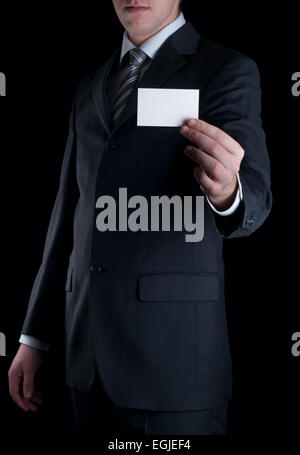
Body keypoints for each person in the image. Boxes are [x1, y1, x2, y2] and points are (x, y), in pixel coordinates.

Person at [8, 0, 272, 435]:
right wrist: (32, 337)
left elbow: (255, 194)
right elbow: (68, 215)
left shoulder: (226, 70)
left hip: (175, 372)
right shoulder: (90, 85)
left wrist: (229, 191)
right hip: (85, 363)